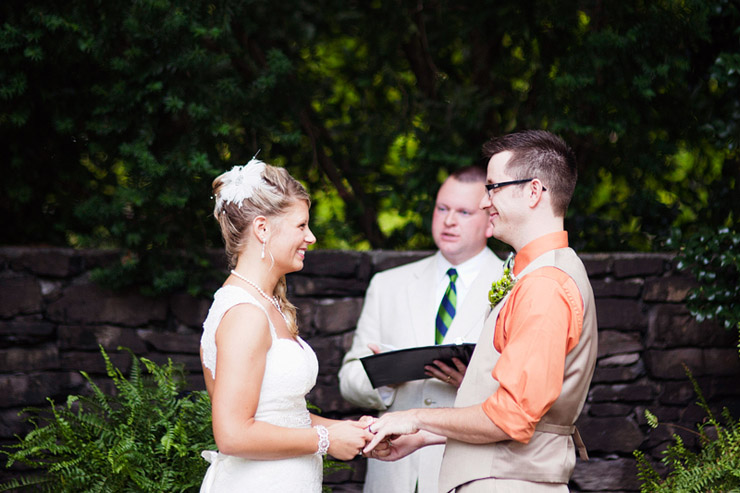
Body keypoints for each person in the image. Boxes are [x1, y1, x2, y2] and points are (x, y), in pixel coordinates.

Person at [363, 130, 598, 492]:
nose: (486, 202)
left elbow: (512, 419)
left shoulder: (545, 285)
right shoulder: (537, 273)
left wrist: (413, 418)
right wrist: (425, 436)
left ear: (534, 191)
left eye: (494, 187)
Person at [199, 159, 373, 492]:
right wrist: (325, 440)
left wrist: (346, 431)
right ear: (262, 229)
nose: (311, 236)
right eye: (301, 225)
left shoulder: (266, 303)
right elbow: (232, 434)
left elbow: (280, 415)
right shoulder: (244, 315)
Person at [339, 166, 504, 493]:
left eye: (464, 212)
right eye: (442, 208)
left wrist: (472, 385)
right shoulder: (388, 285)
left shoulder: (513, 285)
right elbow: (348, 380)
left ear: (489, 221)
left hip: (470, 474)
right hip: (393, 475)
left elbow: (526, 396)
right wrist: (386, 378)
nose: (449, 221)